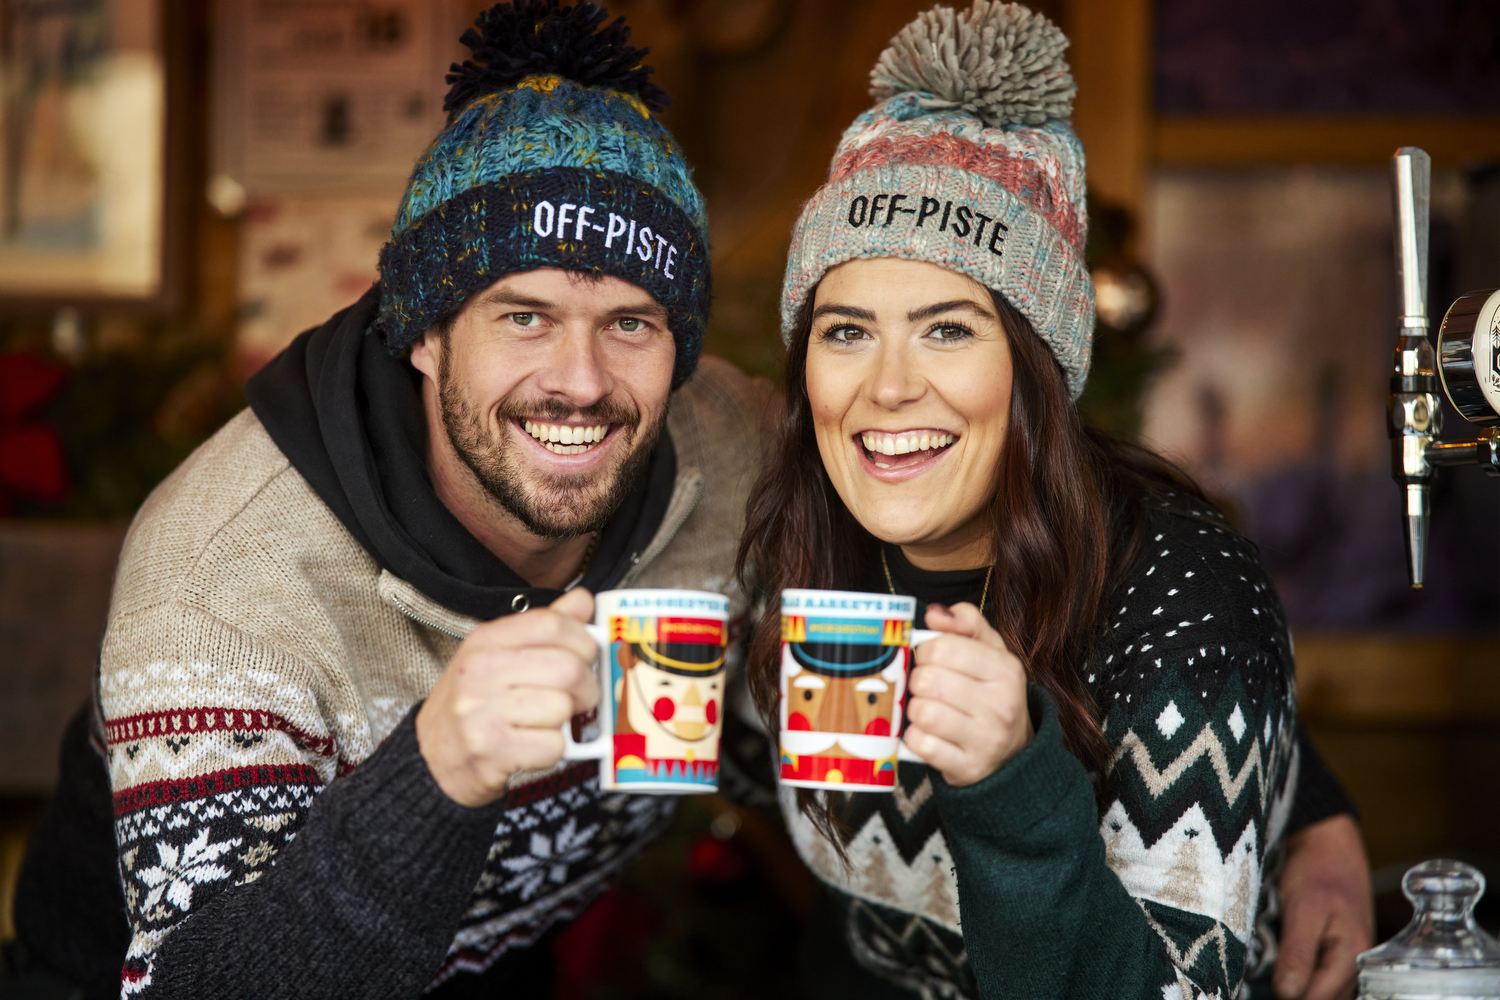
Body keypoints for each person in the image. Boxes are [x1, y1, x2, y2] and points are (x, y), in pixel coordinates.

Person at [57, 2, 769, 996]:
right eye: (524, 315)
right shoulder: (223, 582)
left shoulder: (737, 447)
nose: (581, 379)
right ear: (424, 333)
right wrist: (431, 776)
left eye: (632, 323)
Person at [737, 4, 1371, 999]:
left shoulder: (1179, 588)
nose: (887, 387)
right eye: (845, 331)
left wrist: (1009, 786)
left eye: (948, 330)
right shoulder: (799, 543)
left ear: (1037, 369)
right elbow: (862, 921)